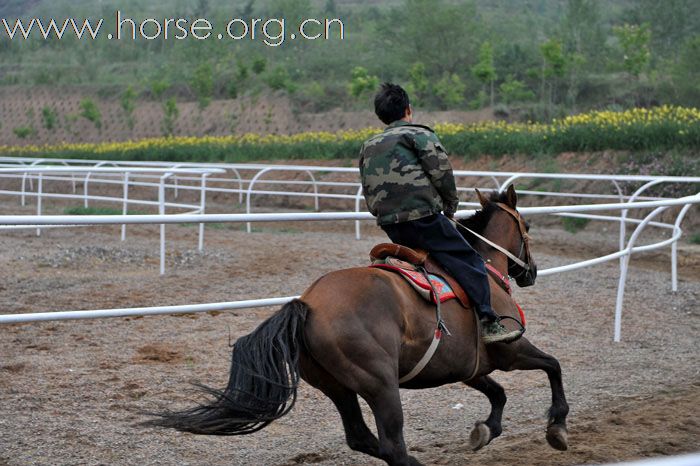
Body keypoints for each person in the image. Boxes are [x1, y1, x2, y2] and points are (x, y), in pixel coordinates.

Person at [359, 82, 521, 344]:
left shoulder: (369, 145)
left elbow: (367, 185)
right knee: (470, 261)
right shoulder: (419, 134)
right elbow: (442, 173)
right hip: (424, 218)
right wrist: (450, 208)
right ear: (408, 110)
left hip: (390, 223)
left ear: (381, 116)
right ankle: (489, 322)